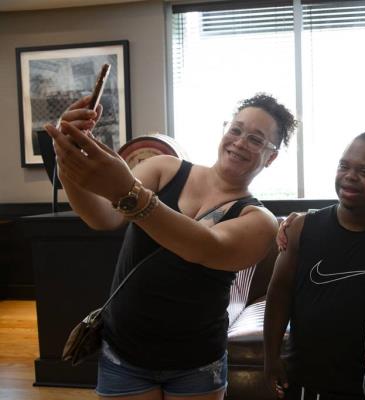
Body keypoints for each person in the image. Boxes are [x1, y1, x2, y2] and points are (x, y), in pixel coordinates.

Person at [44, 93, 296, 400]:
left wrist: (129, 191)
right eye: (236, 129)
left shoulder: (259, 221)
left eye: (256, 139)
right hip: (124, 350)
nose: (240, 142)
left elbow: (202, 246)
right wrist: (65, 158)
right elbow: (102, 217)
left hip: (197, 362)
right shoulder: (165, 169)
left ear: (271, 157)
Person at [264, 132, 365, 400]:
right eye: (344, 166)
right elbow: (279, 295)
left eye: (364, 170)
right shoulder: (301, 228)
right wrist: (271, 358)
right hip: (307, 380)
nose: (349, 176)